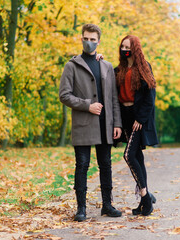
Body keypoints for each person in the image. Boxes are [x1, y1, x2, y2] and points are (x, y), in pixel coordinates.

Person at [59, 24, 123, 222]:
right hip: (84, 124)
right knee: (82, 165)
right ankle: (81, 209)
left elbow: (113, 98)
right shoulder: (71, 65)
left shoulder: (106, 65)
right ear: (81, 39)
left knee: (105, 165)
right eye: (86, 38)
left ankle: (107, 205)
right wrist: (88, 105)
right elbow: (64, 95)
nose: (89, 42)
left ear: (98, 41)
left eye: (93, 39)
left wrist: (117, 124)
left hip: (105, 124)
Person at [114, 35, 158, 216]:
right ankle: (144, 201)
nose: (125, 50)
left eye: (128, 47)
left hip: (138, 119)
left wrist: (140, 119)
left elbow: (150, 97)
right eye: (123, 46)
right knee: (137, 157)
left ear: (135, 49)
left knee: (128, 155)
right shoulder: (118, 70)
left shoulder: (144, 67)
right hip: (125, 117)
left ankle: (145, 197)